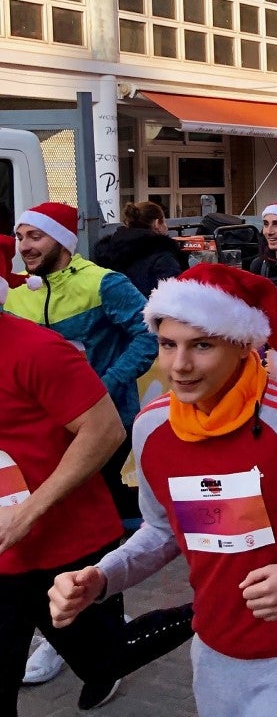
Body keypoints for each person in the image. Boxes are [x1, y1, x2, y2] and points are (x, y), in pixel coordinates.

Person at [48, 264, 277, 717]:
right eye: (167, 345)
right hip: (214, 646)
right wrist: (102, 576)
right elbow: (163, 530)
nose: (179, 365)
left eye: (202, 345)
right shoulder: (152, 427)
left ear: (242, 346)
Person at [0, 236, 130, 713]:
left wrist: (26, 514)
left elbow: (105, 431)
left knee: (105, 658)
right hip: (3, 565)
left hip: (63, 547)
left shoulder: (38, 350)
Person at [8, 202, 156, 561]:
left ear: (61, 240)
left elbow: (150, 333)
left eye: (36, 236)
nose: (25, 246)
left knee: (101, 522)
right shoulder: (17, 293)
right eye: (20, 237)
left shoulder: (104, 282)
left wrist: (106, 383)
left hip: (105, 422)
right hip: (47, 433)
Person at [93, 201, 187, 298]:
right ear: (156, 223)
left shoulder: (109, 251)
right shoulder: (162, 256)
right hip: (149, 311)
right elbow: (175, 295)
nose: (166, 227)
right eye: (164, 221)